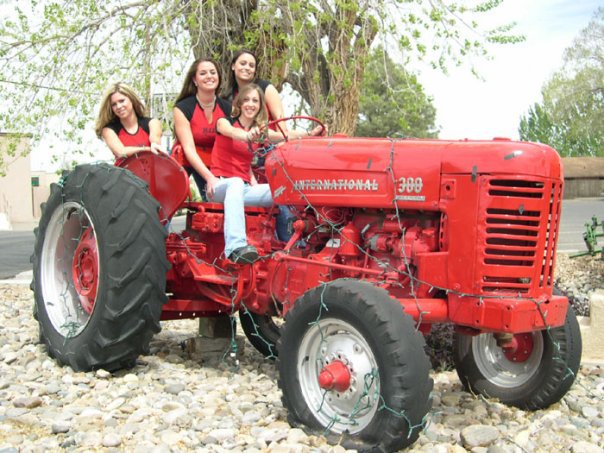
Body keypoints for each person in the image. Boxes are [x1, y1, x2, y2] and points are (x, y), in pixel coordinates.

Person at [208, 84, 325, 264]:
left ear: (260, 105)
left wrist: (310, 133)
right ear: (239, 103)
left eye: (255, 101)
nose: (250, 104)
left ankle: (300, 242)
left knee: (283, 190)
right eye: (246, 100)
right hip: (219, 186)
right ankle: (235, 247)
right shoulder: (224, 122)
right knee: (236, 183)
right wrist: (247, 136)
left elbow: (285, 135)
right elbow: (233, 133)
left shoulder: (259, 132)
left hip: (243, 189)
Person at [173, 58, 232, 197]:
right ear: (195, 80)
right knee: (170, 198)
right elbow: (188, 148)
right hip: (187, 157)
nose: (209, 76)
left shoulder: (228, 108)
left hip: (213, 159)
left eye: (213, 72)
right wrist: (209, 177)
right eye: (203, 73)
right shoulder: (182, 108)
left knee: (215, 198)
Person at [95, 82, 165, 164]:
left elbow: (155, 143)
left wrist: (154, 145)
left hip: (150, 170)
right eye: (114, 104)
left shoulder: (152, 123)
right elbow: (121, 152)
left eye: (122, 101)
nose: (119, 106)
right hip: (123, 172)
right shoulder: (108, 130)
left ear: (132, 99)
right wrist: (146, 149)